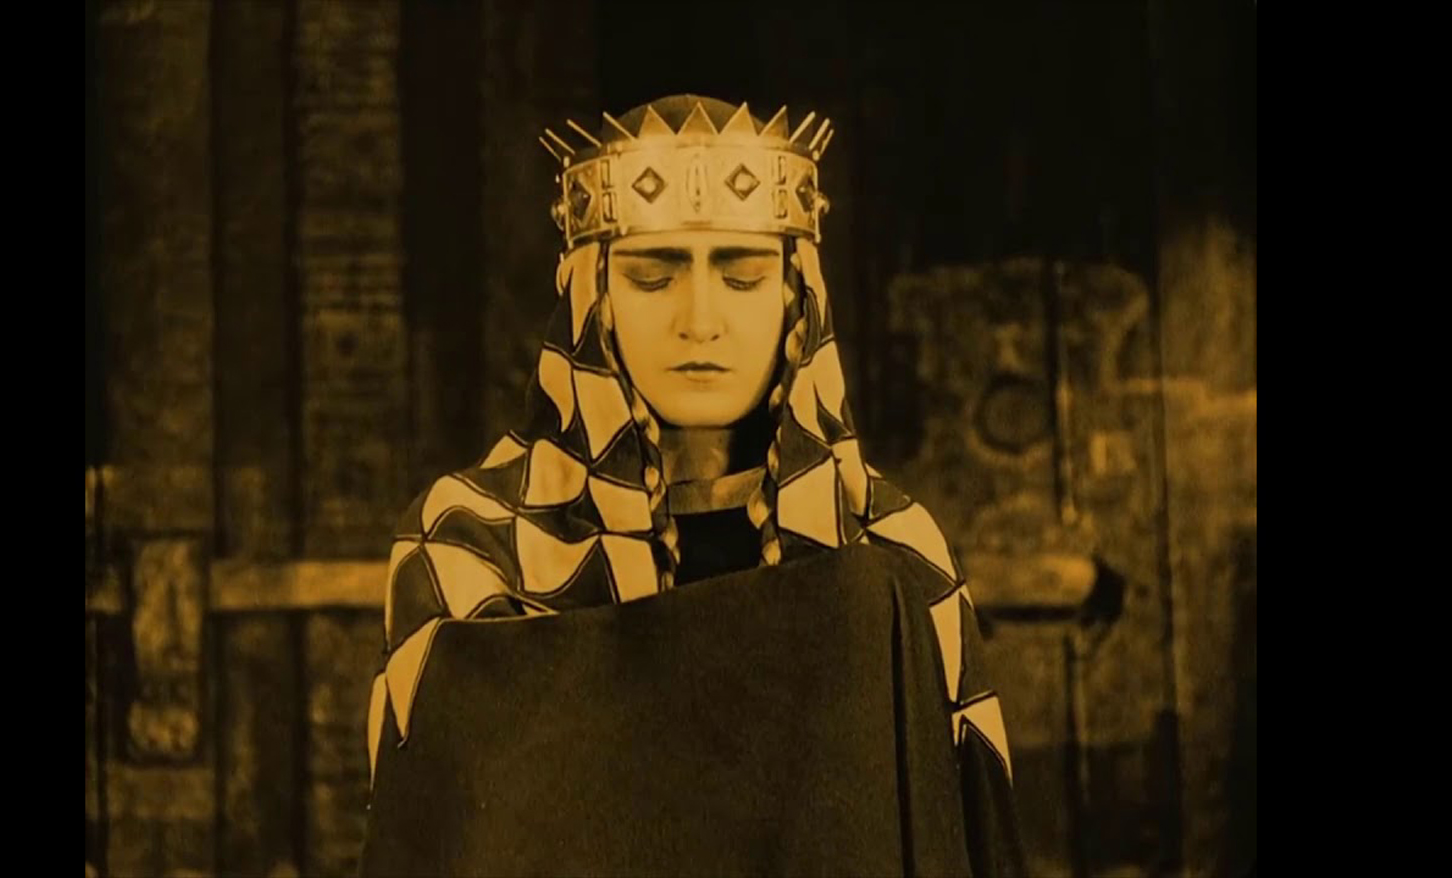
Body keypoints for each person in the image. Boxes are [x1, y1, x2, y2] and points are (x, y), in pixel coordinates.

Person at [358, 94, 1027, 877]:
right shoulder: (473, 546)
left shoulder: (890, 546)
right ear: (591, 294)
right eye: (653, 277)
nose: (700, 319)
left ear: (797, 295)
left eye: (742, 278)